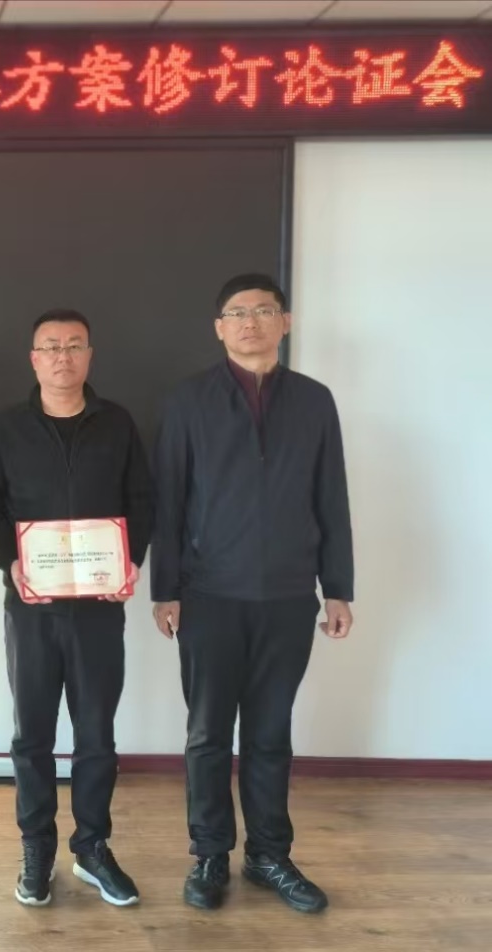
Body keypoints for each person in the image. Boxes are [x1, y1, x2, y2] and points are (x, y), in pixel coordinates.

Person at [150, 273, 353, 915]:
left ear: (284, 322)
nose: (250, 322)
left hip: (289, 596)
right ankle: (211, 853)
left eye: (264, 310)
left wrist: (338, 588)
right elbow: (169, 500)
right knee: (208, 734)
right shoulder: (188, 401)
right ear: (219, 328)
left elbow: (331, 497)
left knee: (270, 733)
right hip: (208, 595)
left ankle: (269, 855)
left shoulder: (315, 401)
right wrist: (165, 589)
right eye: (237, 312)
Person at [0, 309, 153, 908]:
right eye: (51, 346)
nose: (62, 356)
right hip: (32, 608)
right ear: (34, 359)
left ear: (89, 356)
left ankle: (93, 847)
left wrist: (131, 559)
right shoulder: (7, 428)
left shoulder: (117, 424)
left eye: (74, 345)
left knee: (96, 734)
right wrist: (11, 562)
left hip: (98, 606)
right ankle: (37, 847)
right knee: (32, 736)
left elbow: (141, 499)